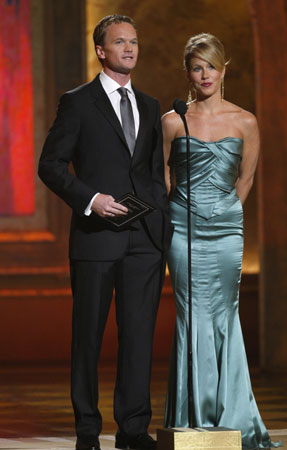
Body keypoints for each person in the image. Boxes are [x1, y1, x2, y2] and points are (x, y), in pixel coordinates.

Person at [38, 14, 172, 450]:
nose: (130, 48)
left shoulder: (151, 106)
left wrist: (158, 221)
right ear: (101, 50)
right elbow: (50, 166)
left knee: (138, 337)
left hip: (144, 241)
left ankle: (133, 429)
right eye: (120, 42)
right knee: (88, 338)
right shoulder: (77, 102)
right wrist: (91, 199)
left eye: (134, 41)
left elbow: (153, 172)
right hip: (96, 237)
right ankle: (87, 431)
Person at [162, 33, 282, 449]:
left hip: (227, 231)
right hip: (182, 231)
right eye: (197, 67)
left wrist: (224, 212)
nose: (204, 74)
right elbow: (162, 176)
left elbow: (246, 179)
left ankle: (232, 418)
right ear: (188, 73)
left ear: (223, 69)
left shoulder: (245, 121)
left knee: (223, 316)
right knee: (189, 316)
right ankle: (189, 420)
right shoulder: (173, 120)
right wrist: (183, 212)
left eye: (211, 65)